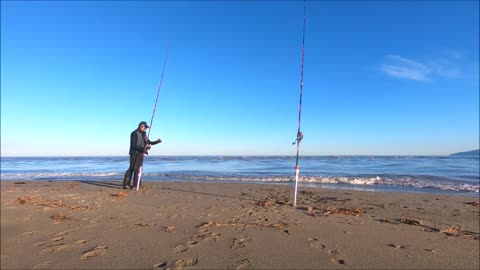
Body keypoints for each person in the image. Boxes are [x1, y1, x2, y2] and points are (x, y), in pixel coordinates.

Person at [123, 121, 162, 189]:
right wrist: (143, 148)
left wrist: (157, 142)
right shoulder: (134, 133)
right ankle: (126, 184)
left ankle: (136, 185)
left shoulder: (144, 135)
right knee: (131, 168)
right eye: (144, 127)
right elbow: (133, 145)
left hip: (141, 153)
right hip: (134, 153)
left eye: (146, 128)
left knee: (138, 169)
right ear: (141, 126)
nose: (145, 129)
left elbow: (149, 142)